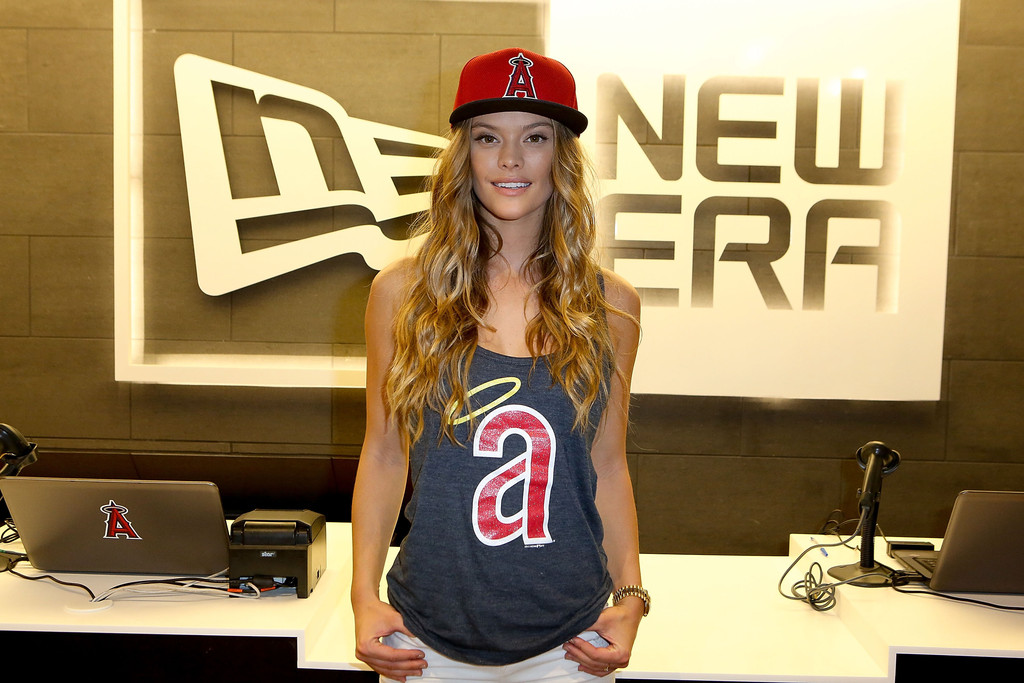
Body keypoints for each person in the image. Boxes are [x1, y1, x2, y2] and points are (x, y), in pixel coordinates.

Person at [351, 47, 647, 682]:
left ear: (562, 157)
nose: (510, 158)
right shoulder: (401, 293)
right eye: (488, 137)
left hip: (571, 643)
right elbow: (383, 453)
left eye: (534, 137)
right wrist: (362, 595)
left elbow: (607, 463)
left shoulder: (612, 306)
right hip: (423, 638)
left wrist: (631, 597)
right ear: (465, 155)